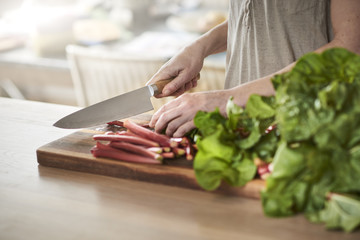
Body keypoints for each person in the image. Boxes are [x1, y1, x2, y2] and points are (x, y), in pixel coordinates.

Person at [146, 0, 360, 137]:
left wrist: (224, 99)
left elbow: (350, 49)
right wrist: (199, 47)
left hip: (311, 129)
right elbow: (255, 18)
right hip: (241, 127)